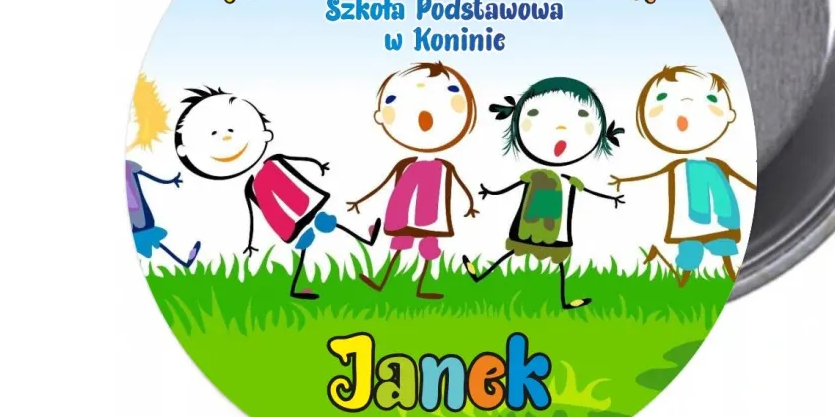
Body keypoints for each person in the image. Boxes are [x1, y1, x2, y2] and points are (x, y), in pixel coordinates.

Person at [174, 86, 378, 300]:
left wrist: (317, 165)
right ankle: (298, 287)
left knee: (328, 222)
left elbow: (297, 161)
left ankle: (365, 238)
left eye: (231, 130)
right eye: (214, 133)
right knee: (307, 244)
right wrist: (251, 242)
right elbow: (253, 213)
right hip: (286, 221)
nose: (225, 137)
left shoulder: (273, 163)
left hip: (304, 204)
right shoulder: (251, 186)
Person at [463, 76, 624, 311]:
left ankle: (563, 300)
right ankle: (482, 276)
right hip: (529, 225)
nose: (560, 129)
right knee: (516, 250)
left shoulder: (569, 180)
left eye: (581, 117)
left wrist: (612, 197)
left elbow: (588, 191)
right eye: (535, 116)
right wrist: (492, 192)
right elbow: (514, 187)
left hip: (556, 230)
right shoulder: (535, 175)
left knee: (557, 262)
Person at [611, 64, 755, 285]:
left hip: (718, 218)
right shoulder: (680, 166)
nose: (685, 104)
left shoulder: (716, 164)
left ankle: (721, 272)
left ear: (730, 114)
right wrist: (624, 179)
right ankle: (682, 281)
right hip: (689, 222)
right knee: (691, 254)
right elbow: (653, 174)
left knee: (723, 248)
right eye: (662, 97)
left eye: (711, 99)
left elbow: (740, 178)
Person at [346, 62, 478, 301]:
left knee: (427, 248)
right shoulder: (405, 164)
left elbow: (459, 184)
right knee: (400, 245)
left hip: (431, 216)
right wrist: (361, 200)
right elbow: (385, 183)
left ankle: (420, 287)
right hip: (404, 214)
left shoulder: (444, 166)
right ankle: (381, 281)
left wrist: (469, 204)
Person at [126, 73, 200, 269]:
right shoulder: (129, 165)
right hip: (138, 215)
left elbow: (147, 176)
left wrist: (169, 181)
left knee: (151, 239)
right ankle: (183, 262)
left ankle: (183, 262)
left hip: (140, 214)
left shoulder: (130, 165)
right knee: (149, 240)